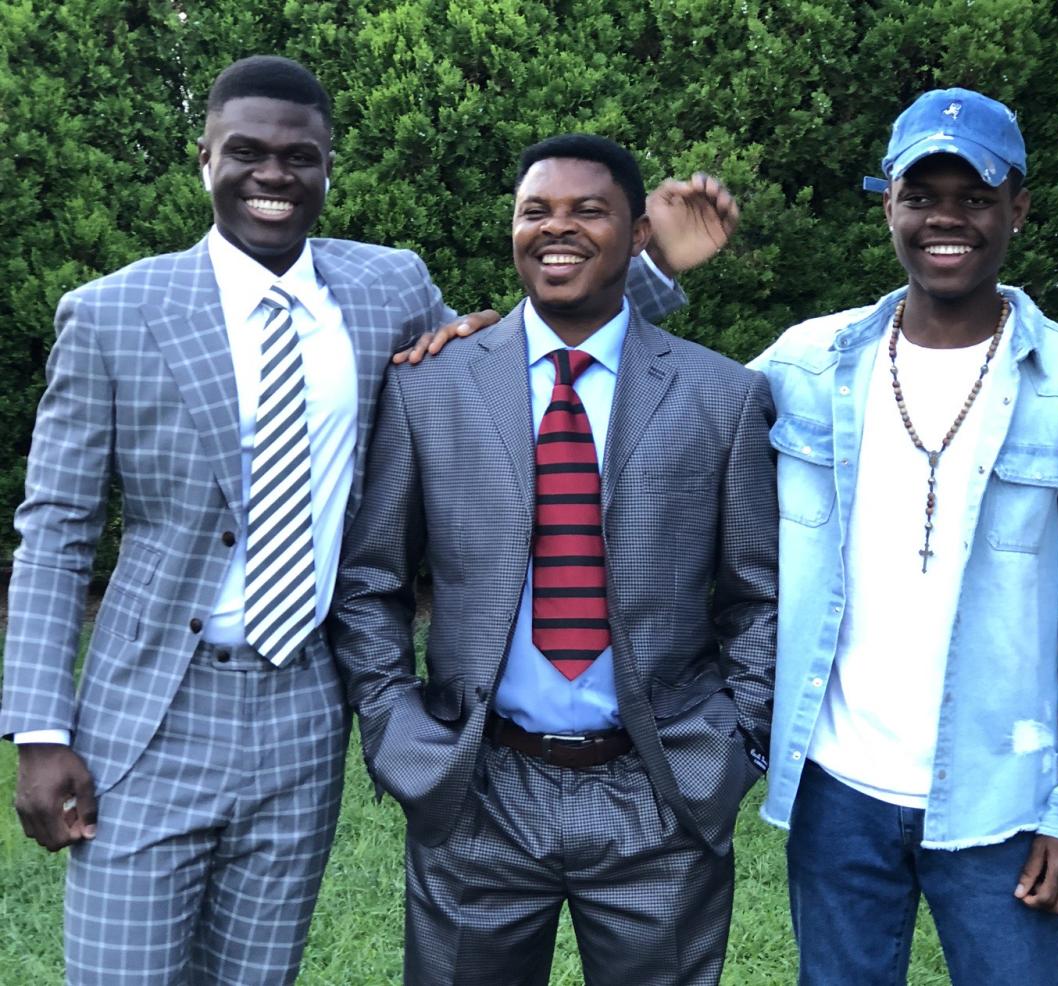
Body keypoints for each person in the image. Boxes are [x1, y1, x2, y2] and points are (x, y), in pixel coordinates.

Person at [1, 56, 734, 985]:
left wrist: (654, 262)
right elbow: (56, 531)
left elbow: (525, 362)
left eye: (299, 156)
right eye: (247, 152)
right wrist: (39, 731)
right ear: (204, 159)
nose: (274, 175)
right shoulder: (111, 313)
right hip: (146, 715)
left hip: (303, 710)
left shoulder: (386, 289)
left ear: (327, 167)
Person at [329, 133, 777, 985]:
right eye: (536, 211)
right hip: (478, 789)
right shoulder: (433, 387)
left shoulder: (722, 396)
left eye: (588, 211)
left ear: (639, 233)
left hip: (659, 790)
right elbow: (372, 581)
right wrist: (395, 728)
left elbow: (759, 596)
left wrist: (735, 739)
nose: (556, 229)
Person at [751, 88, 1058, 984]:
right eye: (921, 194)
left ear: (1018, 208)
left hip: (1001, 800)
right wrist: (490, 339)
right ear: (887, 205)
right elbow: (659, 409)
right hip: (837, 786)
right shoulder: (808, 364)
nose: (946, 218)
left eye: (974, 196)